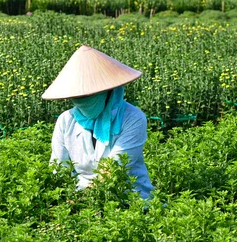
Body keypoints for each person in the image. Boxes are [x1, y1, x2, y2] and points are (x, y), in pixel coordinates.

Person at [42, 45, 154, 199]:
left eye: (89, 95)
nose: (82, 101)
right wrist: (63, 200)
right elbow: (59, 168)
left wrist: (84, 201)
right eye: (77, 96)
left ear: (109, 90)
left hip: (128, 197)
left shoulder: (133, 118)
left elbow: (114, 170)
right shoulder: (66, 120)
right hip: (79, 198)